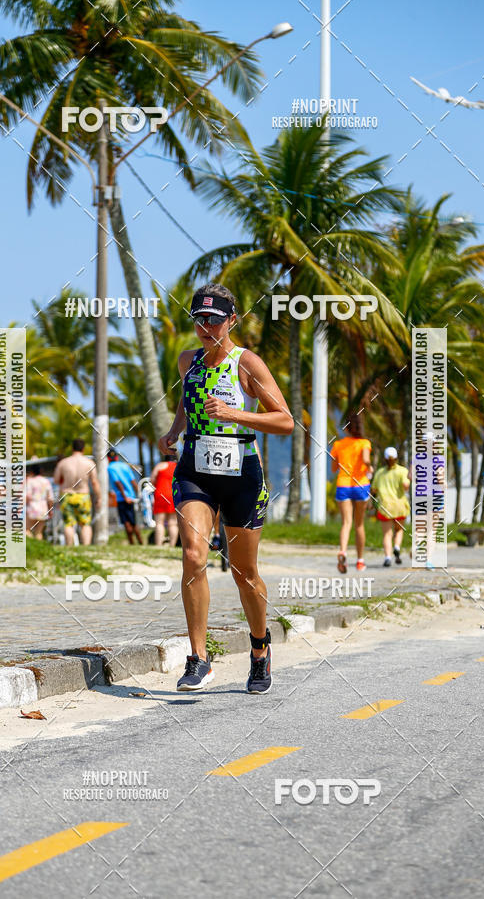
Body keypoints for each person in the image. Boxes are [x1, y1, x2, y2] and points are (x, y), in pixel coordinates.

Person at [159, 283, 293, 694]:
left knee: (244, 573)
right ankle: (199, 659)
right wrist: (175, 430)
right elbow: (187, 400)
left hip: (241, 471)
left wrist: (236, 412)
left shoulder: (247, 363)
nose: (206, 328)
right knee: (193, 554)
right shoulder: (188, 361)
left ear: (232, 321)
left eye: (215, 321)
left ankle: (259, 649)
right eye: (200, 320)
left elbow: (285, 420)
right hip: (195, 467)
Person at [331, 419, 373, 573]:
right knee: (359, 524)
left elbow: (334, 468)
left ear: (347, 429)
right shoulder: (364, 443)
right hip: (360, 484)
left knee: (346, 523)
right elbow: (366, 459)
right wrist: (370, 467)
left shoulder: (338, 445)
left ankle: (343, 551)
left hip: (343, 485)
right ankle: (360, 561)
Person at [53, 439, 101, 546]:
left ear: (72, 448)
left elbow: (56, 480)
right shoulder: (89, 463)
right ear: (83, 449)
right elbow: (94, 482)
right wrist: (99, 497)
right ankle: (86, 547)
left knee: (68, 524)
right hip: (83, 496)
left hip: (67, 495)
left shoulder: (63, 463)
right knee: (85, 524)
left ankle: (70, 547)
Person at [371, 447, 410, 566]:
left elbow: (373, 489)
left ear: (385, 459)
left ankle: (387, 557)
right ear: (396, 458)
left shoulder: (379, 473)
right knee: (399, 531)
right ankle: (397, 547)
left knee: (387, 534)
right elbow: (406, 486)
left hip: (385, 508)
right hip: (400, 507)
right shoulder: (403, 471)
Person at [107, 450, 143, 545]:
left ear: (108, 459)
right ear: (117, 457)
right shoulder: (125, 466)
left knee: (126, 522)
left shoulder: (110, 468)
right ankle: (140, 543)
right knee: (134, 521)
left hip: (122, 498)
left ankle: (132, 543)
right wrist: (139, 494)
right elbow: (133, 481)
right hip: (132, 496)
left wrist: (125, 496)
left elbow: (117, 483)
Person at [150, 455, 178, 546]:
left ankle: (159, 545)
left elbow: (152, 480)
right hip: (174, 495)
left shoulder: (160, 465)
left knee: (159, 522)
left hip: (161, 494)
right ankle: (172, 545)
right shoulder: (178, 467)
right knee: (173, 523)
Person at [25, 465, 54, 539]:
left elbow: (27, 496)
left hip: (32, 507)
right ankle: (39, 545)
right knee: (39, 532)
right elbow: (50, 498)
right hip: (43, 508)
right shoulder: (46, 481)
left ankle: (31, 546)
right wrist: (50, 510)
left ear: (32, 472)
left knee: (27, 530)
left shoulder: (30, 481)